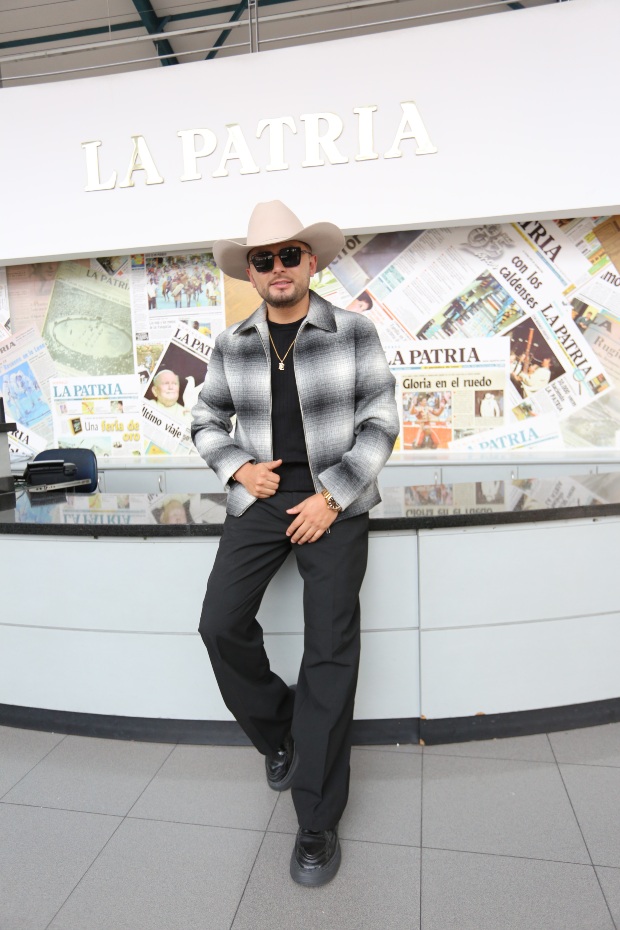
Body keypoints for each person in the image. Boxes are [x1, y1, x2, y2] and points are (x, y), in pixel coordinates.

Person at [191, 200, 399, 887]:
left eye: (288, 255)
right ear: (251, 272)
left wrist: (331, 495)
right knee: (218, 624)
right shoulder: (232, 344)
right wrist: (237, 468)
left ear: (310, 261)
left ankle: (316, 821)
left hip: (336, 499)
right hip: (261, 498)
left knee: (329, 652)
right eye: (264, 259)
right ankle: (281, 730)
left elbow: (380, 423)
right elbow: (205, 419)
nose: (277, 267)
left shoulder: (353, 331)